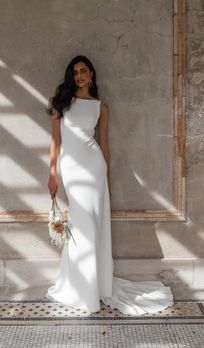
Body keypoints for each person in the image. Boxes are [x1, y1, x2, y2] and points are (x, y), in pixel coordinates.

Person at [45, 55, 174, 315]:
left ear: (91, 75)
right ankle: (82, 287)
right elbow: (56, 142)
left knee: (92, 227)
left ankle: (92, 288)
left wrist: (107, 179)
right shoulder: (62, 105)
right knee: (82, 227)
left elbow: (104, 145)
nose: (79, 75)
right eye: (75, 72)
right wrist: (52, 174)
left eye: (83, 71)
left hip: (94, 169)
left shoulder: (101, 107)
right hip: (71, 169)